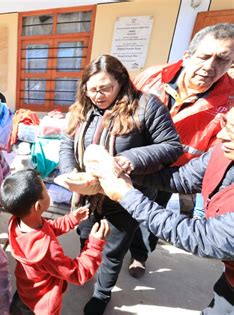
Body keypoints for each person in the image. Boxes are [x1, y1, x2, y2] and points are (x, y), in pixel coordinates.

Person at [59, 54, 182, 314]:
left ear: (122, 82)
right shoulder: (81, 108)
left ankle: (102, 294)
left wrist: (128, 160)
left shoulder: (146, 106)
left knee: (114, 250)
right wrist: (70, 173)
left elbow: (171, 146)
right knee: (86, 235)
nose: (98, 95)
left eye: (106, 88)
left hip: (125, 194)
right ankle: (88, 269)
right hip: (87, 194)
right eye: (91, 89)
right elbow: (66, 143)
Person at [84, 106, 234, 314]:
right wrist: (124, 175)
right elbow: (185, 177)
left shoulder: (147, 106)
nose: (221, 135)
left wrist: (127, 195)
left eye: (233, 132)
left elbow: (202, 237)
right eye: (225, 123)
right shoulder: (223, 151)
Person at [129, 23, 234, 276]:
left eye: (222, 59)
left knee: (155, 215)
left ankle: (140, 255)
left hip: (178, 173)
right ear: (187, 56)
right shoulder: (153, 76)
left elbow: (221, 153)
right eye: (204, 56)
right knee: (124, 207)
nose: (210, 67)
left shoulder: (231, 98)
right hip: (134, 160)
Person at [1, 169, 108, 315]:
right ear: (38, 206)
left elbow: (47, 228)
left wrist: (71, 219)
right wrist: (95, 245)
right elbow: (77, 273)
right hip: (44, 302)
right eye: (45, 189)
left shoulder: (16, 223)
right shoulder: (46, 249)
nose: (47, 190)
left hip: (26, 289)